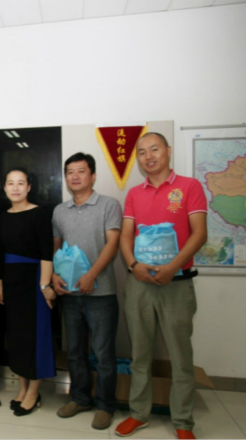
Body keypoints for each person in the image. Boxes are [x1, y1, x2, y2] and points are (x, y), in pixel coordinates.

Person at [115, 133, 207, 440]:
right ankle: (138, 414)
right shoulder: (134, 194)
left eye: (154, 149)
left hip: (177, 284)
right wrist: (133, 265)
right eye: (142, 152)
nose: (149, 156)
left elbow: (199, 233)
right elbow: (125, 235)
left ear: (168, 150)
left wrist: (171, 268)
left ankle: (182, 422)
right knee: (140, 354)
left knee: (180, 356)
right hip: (139, 284)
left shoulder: (189, 187)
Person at [51, 153, 122, 430]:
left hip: (101, 294)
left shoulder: (109, 205)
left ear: (93, 176)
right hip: (70, 295)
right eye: (70, 172)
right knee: (75, 352)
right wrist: (54, 276)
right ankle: (80, 398)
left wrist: (92, 275)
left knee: (103, 354)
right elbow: (56, 247)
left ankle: (105, 405)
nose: (75, 176)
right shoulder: (60, 211)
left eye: (81, 171)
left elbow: (113, 243)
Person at [0, 168, 56, 417]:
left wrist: (45, 286)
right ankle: (22, 388)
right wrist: (0, 284)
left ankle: (34, 391)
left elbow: (46, 252)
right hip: (11, 283)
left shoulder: (39, 213)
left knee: (35, 337)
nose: (15, 188)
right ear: (4, 187)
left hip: (34, 282)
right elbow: (0, 253)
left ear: (29, 187)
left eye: (20, 183)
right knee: (17, 338)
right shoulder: (2, 216)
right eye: (11, 183)